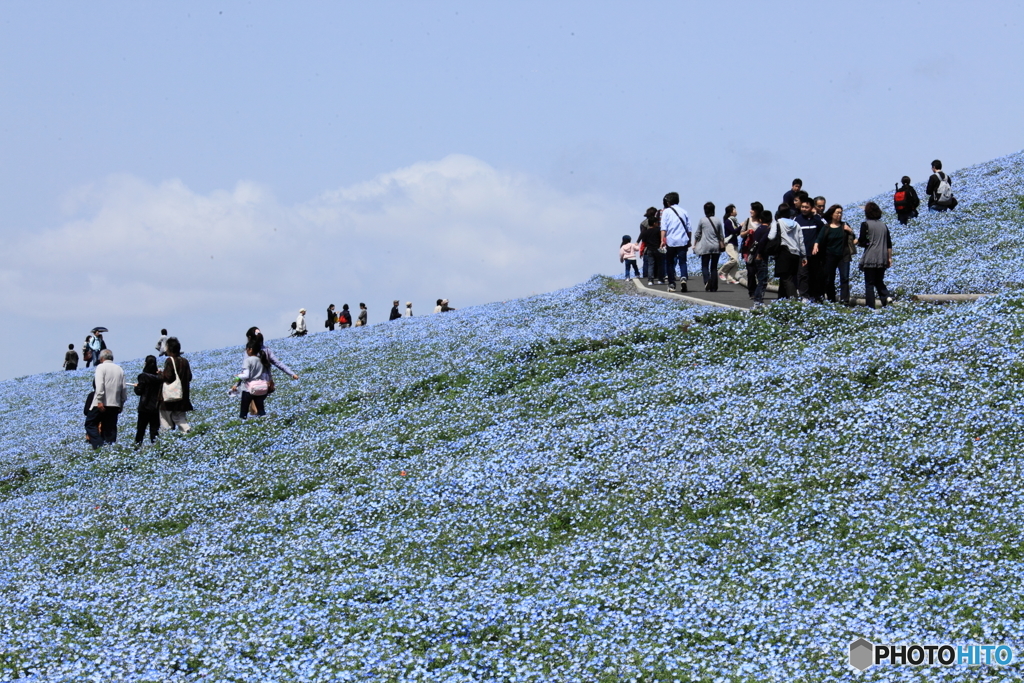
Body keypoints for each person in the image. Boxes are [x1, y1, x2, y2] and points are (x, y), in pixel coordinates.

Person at [813, 205, 857, 304]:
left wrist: (850, 230)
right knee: (829, 279)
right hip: (830, 256)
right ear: (832, 214)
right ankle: (831, 299)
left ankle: (845, 300)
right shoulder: (827, 227)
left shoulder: (844, 225)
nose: (839, 215)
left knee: (844, 278)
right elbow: (819, 238)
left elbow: (853, 237)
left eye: (841, 213)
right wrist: (816, 246)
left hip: (843, 255)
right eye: (837, 212)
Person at [84, 349, 126, 449]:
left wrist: (99, 400)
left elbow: (100, 385)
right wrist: (121, 403)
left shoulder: (101, 367)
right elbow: (123, 388)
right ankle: (110, 449)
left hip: (101, 403)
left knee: (90, 424)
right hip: (115, 403)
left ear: (101, 358)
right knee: (110, 428)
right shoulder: (119, 369)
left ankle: (99, 445)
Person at [858, 201, 894, 308]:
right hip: (882, 257)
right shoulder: (884, 225)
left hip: (871, 256)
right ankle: (886, 297)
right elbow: (889, 244)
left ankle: (870, 307)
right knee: (879, 280)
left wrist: (862, 242)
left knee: (869, 283)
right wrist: (889, 258)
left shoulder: (865, 224)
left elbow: (862, 241)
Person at [767, 204, 806, 299]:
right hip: (795, 254)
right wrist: (804, 256)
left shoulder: (777, 223)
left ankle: (794, 299)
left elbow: (771, 236)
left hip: (784, 253)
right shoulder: (796, 224)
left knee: (786, 278)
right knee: (789, 277)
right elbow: (801, 241)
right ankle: (781, 299)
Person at [794, 197, 826, 301]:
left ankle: (816, 296)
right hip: (802, 253)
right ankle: (804, 296)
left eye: (806, 207)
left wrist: (816, 215)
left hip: (815, 253)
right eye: (802, 207)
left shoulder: (817, 219)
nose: (804, 209)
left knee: (815, 276)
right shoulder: (797, 219)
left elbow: (824, 229)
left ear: (811, 208)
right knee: (803, 275)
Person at [159, 337, 193, 434]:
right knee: (180, 418)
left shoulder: (170, 360)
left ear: (169, 349)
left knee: (165, 420)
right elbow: (189, 377)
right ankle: (187, 431)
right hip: (183, 396)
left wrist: (160, 374)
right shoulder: (185, 361)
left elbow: (168, 377)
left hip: (170, 397)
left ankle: (167, 437)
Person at [660, 192, 691, 292]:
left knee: (670, 263)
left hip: (671, 241)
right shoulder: (684, 211)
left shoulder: (666, 212)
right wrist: (689, 240)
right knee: (682, 261)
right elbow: (689, 228)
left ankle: (672, 284)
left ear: (668, 202)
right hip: (682, 240)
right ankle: (683, 278)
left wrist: (662, 240)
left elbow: (663, 228)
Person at [693, 202, 725, 292]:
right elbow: (721, 235)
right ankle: (714, 287)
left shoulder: (702, 220)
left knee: (705, 265)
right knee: (714, 267)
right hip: (716, 246)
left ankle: (707, 280)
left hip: (705, 246)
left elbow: (697, 234)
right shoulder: (718, 220)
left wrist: (695, 243)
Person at [233, 340, 269, 419]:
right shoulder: (261, 360)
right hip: (260, 387)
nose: (246, 351)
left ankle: (242, 422)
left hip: (249, 388)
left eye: (247, 349)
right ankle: (264, 423)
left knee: (244, 411)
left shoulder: (248, 360)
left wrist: (238, 376)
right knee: (261, 410)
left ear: (250, 349)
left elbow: (246, 375)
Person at [134, 355, 163, 445]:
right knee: (154, 430)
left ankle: (137, 446)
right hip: (156, 407)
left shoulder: (143, 376)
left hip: (144, 407)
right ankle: (155, 447)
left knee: (141, 429)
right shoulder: (159, 377)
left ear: (146, 364)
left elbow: (139, 391)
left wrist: (136, 387)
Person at [739, 201, 764, 298]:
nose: (751, 211)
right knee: (751, 272)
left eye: (753, 209)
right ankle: (752, 291)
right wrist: (747, 232)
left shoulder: (762, 222)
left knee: (760, 272)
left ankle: (759, 290)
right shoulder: (747, 221)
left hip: (760, 250)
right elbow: (741, 234)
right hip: (748, 251)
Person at [749, 210, 773, 304]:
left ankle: (757, 297)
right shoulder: (767, 230)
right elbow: (762, 242)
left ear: (760, 219)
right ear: (771, 220)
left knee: (760, 278)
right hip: (761, 256)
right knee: (762, 280)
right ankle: (758, 299)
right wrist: (759, 253)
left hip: (755, 256)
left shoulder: (758, 229)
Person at [717, 205, 742, 284]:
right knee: (733, 259)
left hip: (734, 242)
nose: (736, 211)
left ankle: (730, 278)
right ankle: (721, 272)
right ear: (731, 212)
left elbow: (736, 233)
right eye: (734, 209)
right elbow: (733, 231)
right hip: (729, 243)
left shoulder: (734, 221)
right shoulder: (728, 221)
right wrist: (741, 226)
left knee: (737, 262)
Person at [638, 208, 663, 285]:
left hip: (648, 248)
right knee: (659, 264)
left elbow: (643, 237)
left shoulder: (644, 225)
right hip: (657, 248)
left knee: (650, 264)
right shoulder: (658, 228)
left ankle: (649, 279)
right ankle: (659, 278)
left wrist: (639, 245)